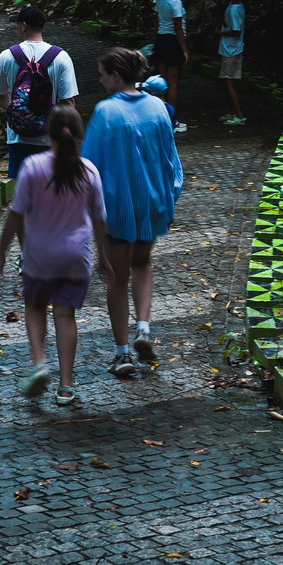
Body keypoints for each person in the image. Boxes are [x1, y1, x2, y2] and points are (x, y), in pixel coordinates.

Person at [80, 48, 182, 378]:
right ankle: (144, 328)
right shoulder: (158, 107)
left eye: (102, 74)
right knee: (143, 263)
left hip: (117, 209)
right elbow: (171, 162)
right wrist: (169, 201)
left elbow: (89, 166)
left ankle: (122, 354)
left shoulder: (105, 112)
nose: (99, 79)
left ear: (116, 75)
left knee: (115, 278)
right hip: (151, 204)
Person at [0, 105, 104, 406]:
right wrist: (104, 258)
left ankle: (40, 363)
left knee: (34, 305)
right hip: (75, 255)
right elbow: (100, 220)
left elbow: (16, 215)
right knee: (65, 315)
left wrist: (3, 250)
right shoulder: (89, 170)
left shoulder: (32, 166)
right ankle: (66, 387)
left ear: (47, 131)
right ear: (78, 133)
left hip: (39, 253)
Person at [0, 6, 78, 164]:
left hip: (17, 138)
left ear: (23, 26)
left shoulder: (6, 56)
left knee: (21, 184)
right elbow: (68, 102)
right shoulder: (61, 57)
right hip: (51, 139)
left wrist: (20, 112)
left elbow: (1, 94)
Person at [149, 0, 189, 131]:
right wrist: (184, 49)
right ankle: (172, 121)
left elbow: (158, 23)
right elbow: (178, 27)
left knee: (162, 81)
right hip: (172, 41)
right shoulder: (176, 1)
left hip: (161, 39)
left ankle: (161, 117)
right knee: (173, 83)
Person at [215, 0, 248, 126]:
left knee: (228, 81)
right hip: (230, 48)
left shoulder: (234, 9)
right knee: (226, 80)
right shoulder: (235, 6)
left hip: (231, 49)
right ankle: (233, 112)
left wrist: (219, 32)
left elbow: (236, 31)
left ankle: (239, 115)